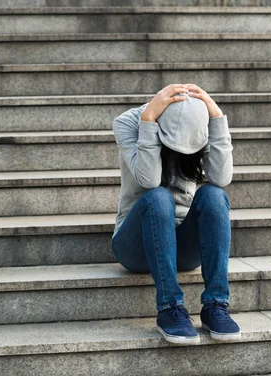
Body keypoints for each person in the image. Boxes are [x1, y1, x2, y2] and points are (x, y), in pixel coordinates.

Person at [111, 83, 241, 345]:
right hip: (134, 246)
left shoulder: (201, 122)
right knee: (158, 197)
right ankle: (170, 308)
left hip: (183, 247)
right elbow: (149, 180)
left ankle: (216, 304)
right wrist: (148, 121)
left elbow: (221, 177)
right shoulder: (128, 123)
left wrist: (216, 118)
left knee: (214, 195)